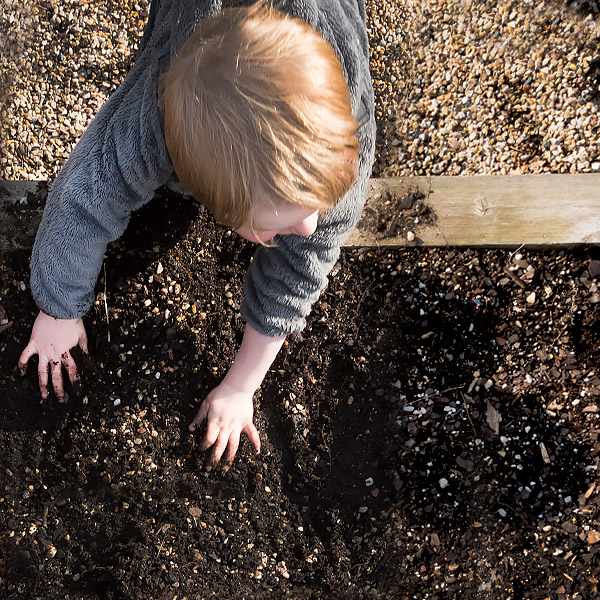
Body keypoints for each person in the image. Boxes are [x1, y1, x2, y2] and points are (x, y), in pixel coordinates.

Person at [18, 0, 376, 471]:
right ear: (209, 201)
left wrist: (241, 386)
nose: (308, 226)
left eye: (313, 204)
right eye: (275, 221)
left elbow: (297, 276)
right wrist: (58, 309)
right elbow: (82, 199)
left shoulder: (343, 151)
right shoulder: (151, 122)